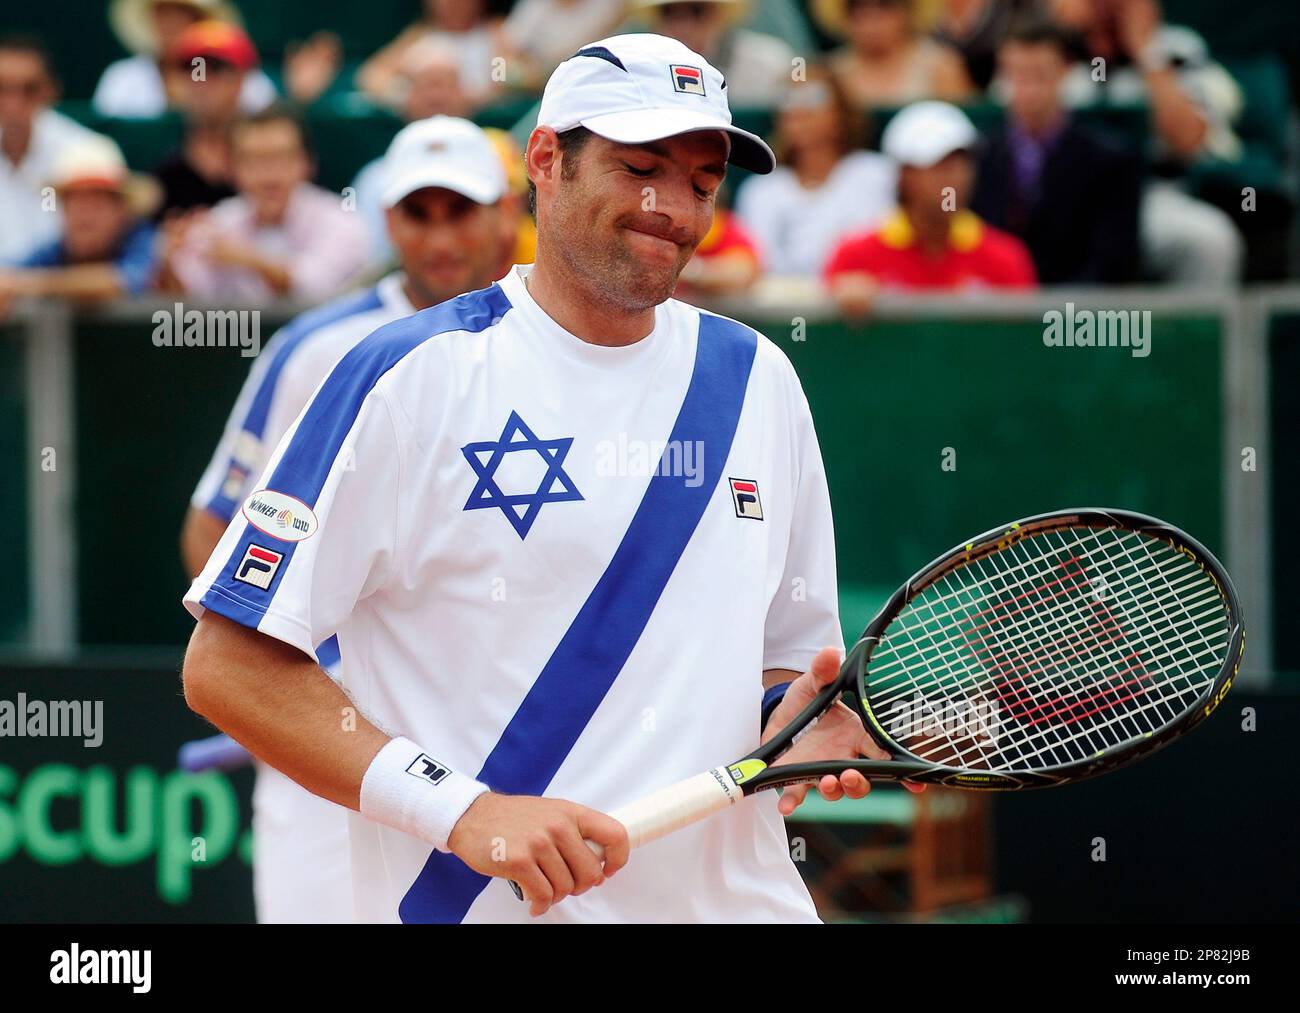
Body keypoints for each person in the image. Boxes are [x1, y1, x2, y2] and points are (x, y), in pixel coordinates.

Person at [181, 33, 919, 924]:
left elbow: (787, 659)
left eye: (701, 180)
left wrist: (796, 718)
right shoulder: (405, 375)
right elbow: (228, 663)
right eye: (641, 165)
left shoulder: (762, 378)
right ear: (545, 159)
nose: (673, 207)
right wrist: (464, 813)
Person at [180, 116, 514, 923]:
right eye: (419, 213)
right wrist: (303, 671)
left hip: (496, 730)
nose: (440, 235)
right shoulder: (315, 346)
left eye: (460, 210)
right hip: (329, 744)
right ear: (389, 220)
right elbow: (214, 528)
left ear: (505, 212)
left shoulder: (559, 341)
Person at [1049, 0, 1244, 285]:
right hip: (1065, 199)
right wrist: (1065, 39)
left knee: (1212, 242)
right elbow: (1018, 119)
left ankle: (1187, 331)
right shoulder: (1051, 45)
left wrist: (1146, 51)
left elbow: (1188, 140)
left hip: (1152, 198)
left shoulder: (1177, 47)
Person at [825, 100, 1036, 315]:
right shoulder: (854, 257)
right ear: (904, 175)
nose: (956, 177)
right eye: (940, 165)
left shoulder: (1007, 258)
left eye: (962, 163)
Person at [972, 16, 1140, 284]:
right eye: (1016, 74)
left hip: (1074, 317)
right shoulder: (979, 155)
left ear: (1065, 71)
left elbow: (1112, 264)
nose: (1027, 89)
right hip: (996, 312)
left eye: (1040, 75)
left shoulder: (1109, 160)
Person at [158, 104, 370, 301]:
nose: (269, 173)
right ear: (232, 168)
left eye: (280, 156)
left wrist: (247, 258)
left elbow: (315, 287)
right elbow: (189, 297)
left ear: (306, 162)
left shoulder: (340, 218)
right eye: (254, 159)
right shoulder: (221, 220)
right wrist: (167, 262)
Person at [734, 68, 895, 277]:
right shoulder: (760, 190)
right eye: (789, 100)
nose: (799, 110)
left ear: (839, 112)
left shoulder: (876, 175)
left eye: (813, 97)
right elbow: (758, 264)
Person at [0, 135, 159, 316]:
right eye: (75, 202)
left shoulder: (143, 240)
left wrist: (29, 286)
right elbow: (8, 274)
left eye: (97, 203)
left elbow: (119, 282)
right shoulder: (55, 249)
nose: (85, 215)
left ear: (121, 211)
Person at [0, 34, 100, 265]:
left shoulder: (87, 153)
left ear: (51, 90)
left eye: (29, 89)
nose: (13, 103)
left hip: (62, 295)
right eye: (2, 88)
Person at [93, 0, 278, 118]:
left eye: (182, 16)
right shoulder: (122, 77)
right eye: (164, 16)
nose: (172, 25)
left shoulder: (242, 77)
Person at [150, 20, 256, 219]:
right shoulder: (166, 169)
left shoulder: (267, 158)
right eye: (193, 69)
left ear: (241, 78)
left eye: (215, 68)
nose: (203, 81)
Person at [631, 0, 796, 107]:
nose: (683, 23)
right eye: (668, 12)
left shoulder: (770, 61)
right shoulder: (641, 67)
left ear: (718, 14)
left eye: (697, 10)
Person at [814, 0, 974, 109]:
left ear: (907, 10)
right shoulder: (832, 72)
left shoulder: (941, 66)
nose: (871, 22)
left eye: (884, 7)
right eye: (858, 10)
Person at [356, 0, 505, 114]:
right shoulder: (418, 36)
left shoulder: (494, 35)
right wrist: (405, 96)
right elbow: (371, 76)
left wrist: (474, 98)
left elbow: (503, 78)